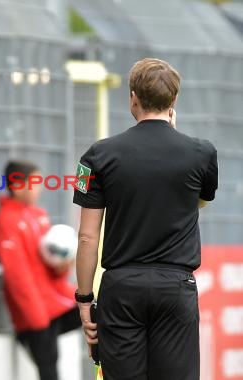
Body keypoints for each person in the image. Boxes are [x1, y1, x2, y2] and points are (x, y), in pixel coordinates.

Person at [73, 58, 218, 380]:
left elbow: (86, 237)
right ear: (173, 101)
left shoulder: (96, 156)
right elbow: (199, 202)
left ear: (133, 97)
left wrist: (85, 300)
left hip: (122, 287)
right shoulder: (202, 153)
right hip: (175, 286)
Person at [0, 160, 81, 380]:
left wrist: (63, 267)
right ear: (17, 186)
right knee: (49, 366)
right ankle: (26, 335)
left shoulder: (38, 214)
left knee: (103, 309)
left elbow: (51, 260)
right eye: (35, 183)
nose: (39, 188)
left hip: (58, 301)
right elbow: (17, 276)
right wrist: (37, 319)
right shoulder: (6, 220)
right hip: (35, 311)